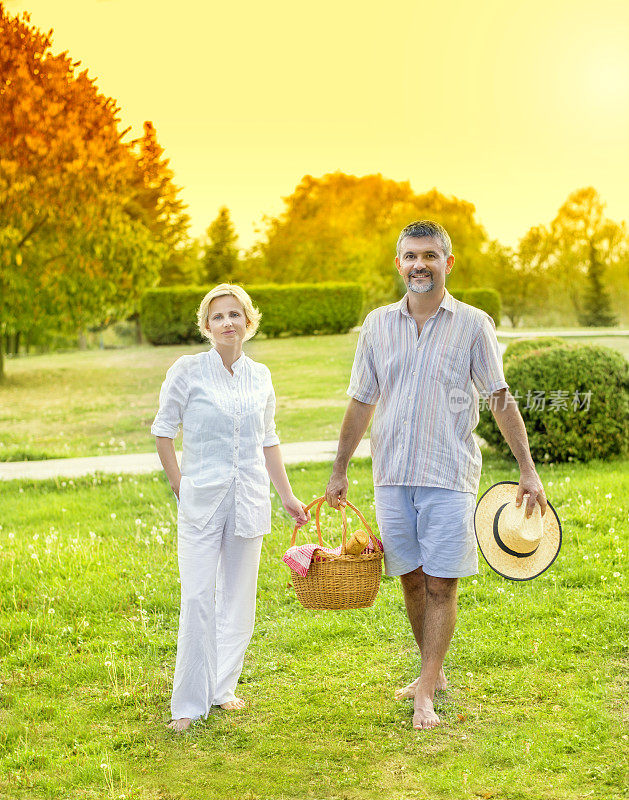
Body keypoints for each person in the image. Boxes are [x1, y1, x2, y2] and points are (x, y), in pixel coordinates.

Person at [325, 220, 547, 731]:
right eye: (409, 256)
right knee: (410, 578)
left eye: (429, 255)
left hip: (448, 473)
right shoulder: (377, 324)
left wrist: (527, 470)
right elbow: (362, 400)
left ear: (447, 263)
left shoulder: (473, 324)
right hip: (392, 474)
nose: (418, 264)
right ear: (399, 264)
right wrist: (339, 470)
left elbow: (498, 396)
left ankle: (425, 685)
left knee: (442, 584)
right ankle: (435, 673)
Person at [152, 283, 309, 733]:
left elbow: (268, 439)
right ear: (206, 325)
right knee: (199, 596)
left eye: (235, 314)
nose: (227, 322)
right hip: (201, 501)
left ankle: (221, 688)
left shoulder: (261, 376)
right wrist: (181, 486)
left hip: (250, 500)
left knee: (239, 600)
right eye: (218, 316)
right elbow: (163, 432)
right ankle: (187, 703)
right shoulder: (188, 370)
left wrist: (287, 496)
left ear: (248, 321)